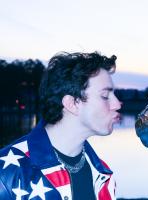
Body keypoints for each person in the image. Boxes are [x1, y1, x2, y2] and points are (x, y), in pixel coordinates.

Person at [0, 52, 122, 200]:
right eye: (105, 96)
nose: (117, 104)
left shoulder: (102, 174)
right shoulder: (7, 172)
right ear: (72, 104)